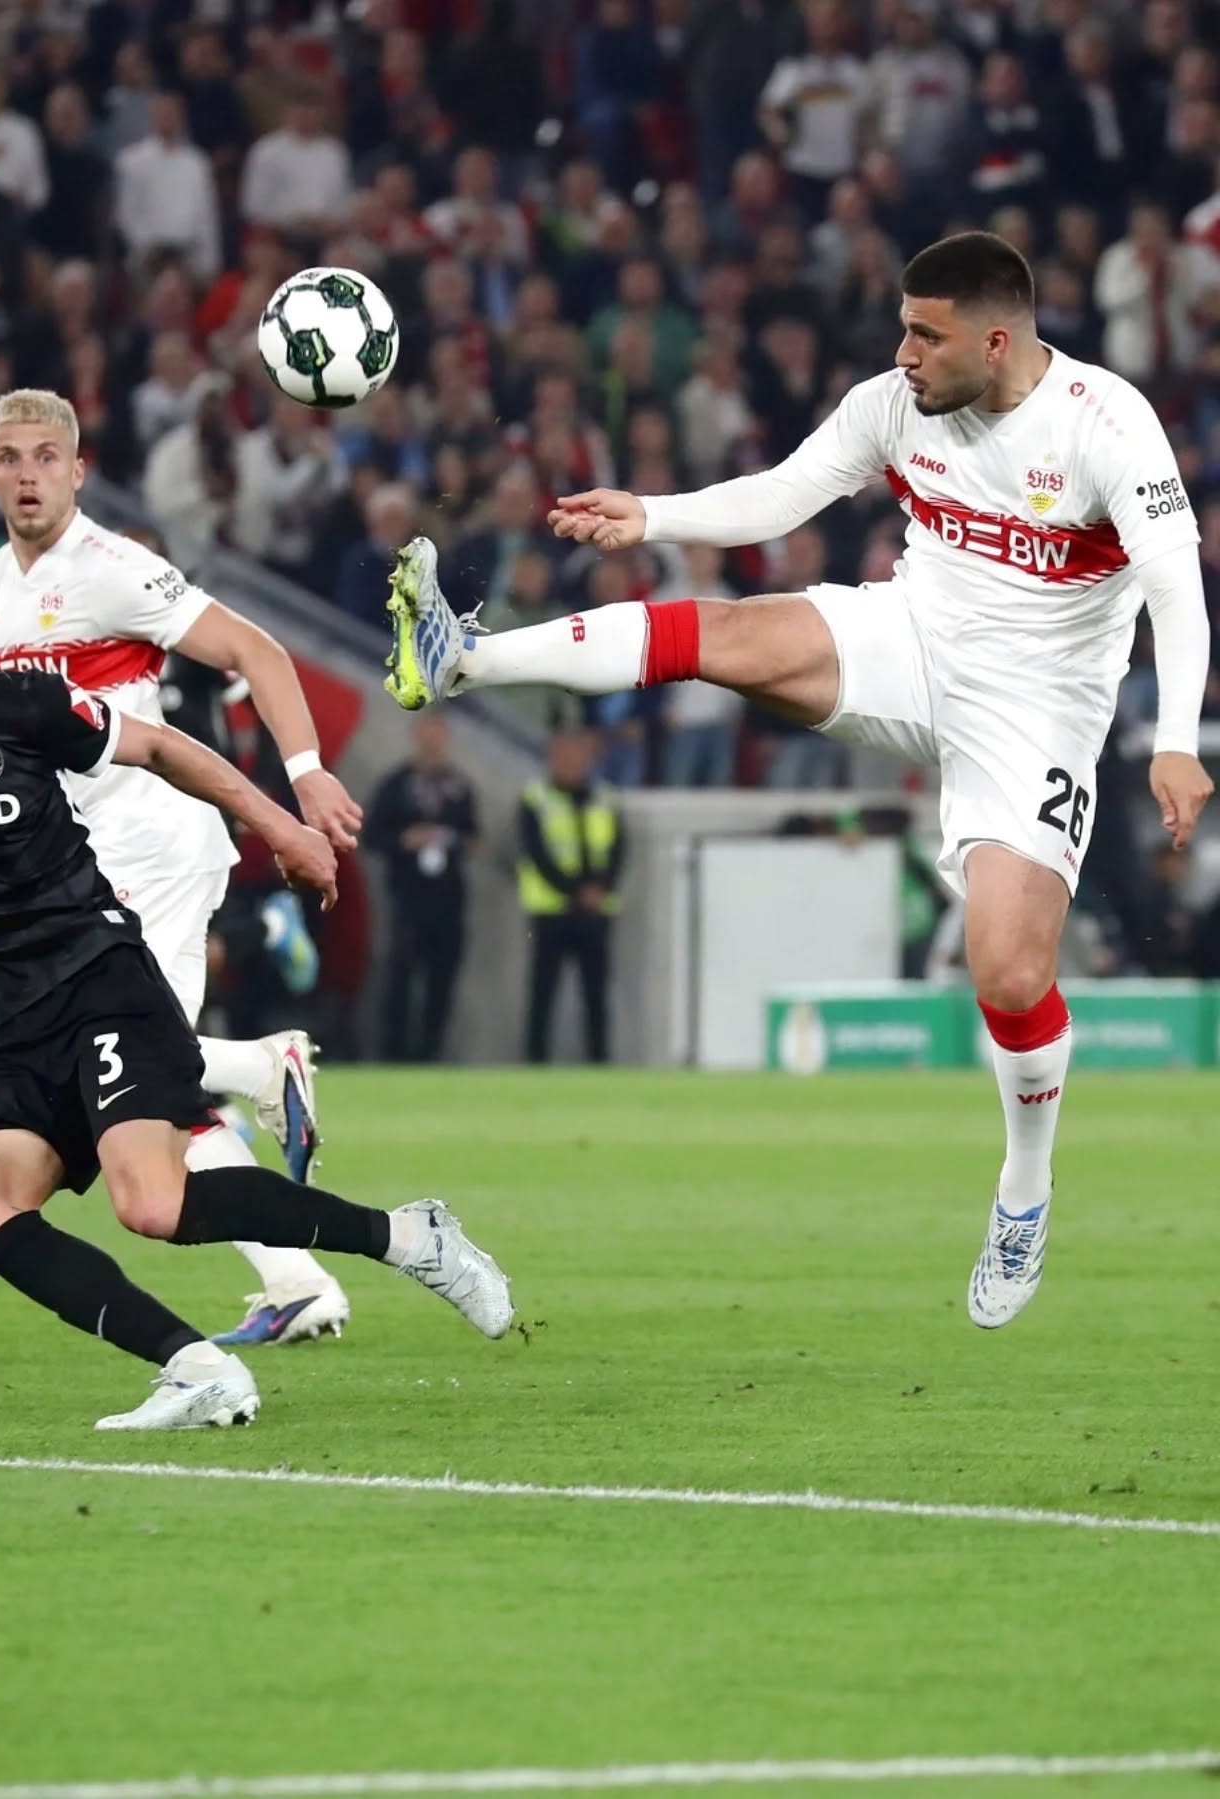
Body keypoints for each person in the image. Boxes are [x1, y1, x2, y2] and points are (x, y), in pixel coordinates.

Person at [383, 230, 1214, 1330]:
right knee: (727, 633)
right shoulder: (891, 403)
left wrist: (1174, 735)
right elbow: (783, 496)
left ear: (998, 337)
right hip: (913, 636)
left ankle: (1024, 1187)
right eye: (902, 327)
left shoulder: (1107, 423)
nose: (903, 352)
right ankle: (466, 659)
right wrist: (657, 515)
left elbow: (1176, 587)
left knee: (1009, 975)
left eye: (927, 333)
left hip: (1040, 712)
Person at [0, 517, 512, 1430]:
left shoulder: (14, 703)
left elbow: (163, 747)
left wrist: (281, 827)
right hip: (11, 1022)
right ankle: (199, 1366)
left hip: (100, 970)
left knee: (151, 1201)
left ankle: (410, 1238)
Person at [0, 388, 364, 1348]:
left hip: (156, 848)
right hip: (79, 868)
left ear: (79, 470)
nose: (26, 474)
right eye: (8, 457)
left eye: (45, 456)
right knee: (145, 1085)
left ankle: (267, 1078)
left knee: (140, 1077)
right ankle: (293, 1257)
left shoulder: (115, 569)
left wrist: (304, 775)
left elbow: (254, 647)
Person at [366, 713, 478, 1063]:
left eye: (438, 737)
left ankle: (432, 1052)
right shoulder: (395, 786)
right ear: (416, 738)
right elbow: (372, 837)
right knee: (400, 976)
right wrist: (404, 840)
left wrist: (452, 841)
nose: (432, 744)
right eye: (427, 736)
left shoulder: (460, 788)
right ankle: (394, 1053)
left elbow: (474, 838)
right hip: (407, 898)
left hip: (448, 899)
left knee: (442, 980)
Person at [518, 727, 625, 1065]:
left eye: (575, 755)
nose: (569, 763)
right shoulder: (535, 799)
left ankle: (599, 1061)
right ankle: (535, 1063)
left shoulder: (606, 798)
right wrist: (576, 891)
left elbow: (619, 850)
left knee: (596, 994)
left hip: (596, 913)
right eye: (561, 756)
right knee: (543, 993)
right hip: (552, 911)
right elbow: (536, 853)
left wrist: (599, 888)